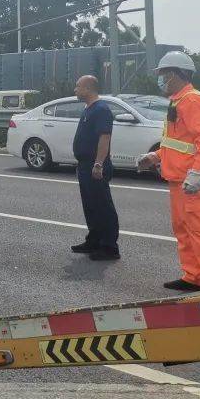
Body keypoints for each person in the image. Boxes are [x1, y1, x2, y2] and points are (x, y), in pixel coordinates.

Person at [139, 52, 200, 291]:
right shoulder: (178, 100)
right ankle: (194, 276)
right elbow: (178, 142)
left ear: (176, 74)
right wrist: (155, 156)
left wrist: (197, 172)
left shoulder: (192, 100)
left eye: (163, 75)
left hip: (190, 180)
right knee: (183, 229)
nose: (160, 79)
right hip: (179, 178)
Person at [69, 75, 120, 261]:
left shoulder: (101, 109)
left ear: (88, 88)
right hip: (84, 166)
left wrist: (98, 163)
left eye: (78, 86)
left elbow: (104, 138)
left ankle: (109, 246)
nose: (75, 90)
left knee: (102, 206)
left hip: (95, 166)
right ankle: (94, 240)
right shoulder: (88, 109)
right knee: (90, 206)